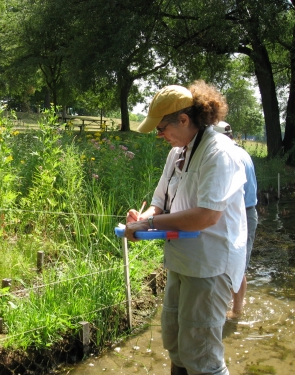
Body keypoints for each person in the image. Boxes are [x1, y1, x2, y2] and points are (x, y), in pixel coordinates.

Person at [125, 81, 247, 375]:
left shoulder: (219, 153)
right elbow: (160, 201)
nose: (160, 135)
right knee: (176, 344)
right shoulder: (177, 152)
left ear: (183, 119)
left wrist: (151, 223)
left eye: (162, 128)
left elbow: (206, 216)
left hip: (209, 264)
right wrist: (144, 217)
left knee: (201, 355)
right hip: (181, 261)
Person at [213, 121, 258, 319]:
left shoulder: (227, 155)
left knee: (237, 267)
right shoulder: (242, 152)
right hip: (247, 212)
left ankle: (237, 311)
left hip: (239, 215)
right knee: (236, 264)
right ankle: (236, 308)